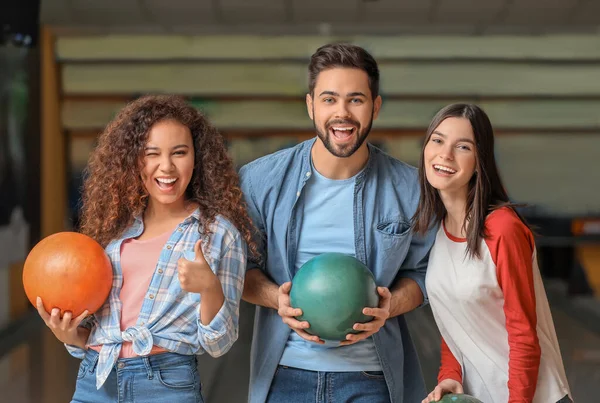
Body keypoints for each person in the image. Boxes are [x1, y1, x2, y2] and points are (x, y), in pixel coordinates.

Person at [240, 43, 436, 403]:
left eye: (356, 100)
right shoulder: (259, 181)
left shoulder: (411, 189)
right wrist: (275, 299)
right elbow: (241, 271)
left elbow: (425, 275)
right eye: (329, 99)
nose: (342, 113)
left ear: (375, 106)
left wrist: (389, 306)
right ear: (310, 104)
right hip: (285, 376)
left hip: (371, 379)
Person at [35, 95, 256, 403]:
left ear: (197, 157)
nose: (166, 167)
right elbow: (94, 328)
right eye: (151, 153)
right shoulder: (112, 229)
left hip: (165, 384)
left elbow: (218, 344)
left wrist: (209, 288)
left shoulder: (218, 234)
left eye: (179, 152)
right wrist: (69, 335)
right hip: (94, 381)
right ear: (133, 160)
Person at [414, 104, 572, 403]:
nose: (445, 154)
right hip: (479, 396)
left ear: (479, 161)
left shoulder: (501, 228)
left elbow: (523, 333)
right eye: (437, 140)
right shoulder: (440, 230)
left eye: (462, 147)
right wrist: (450, 375)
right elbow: (455, 320)